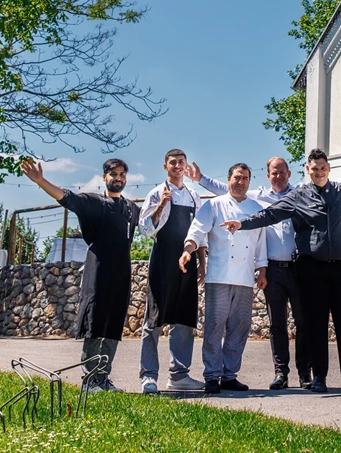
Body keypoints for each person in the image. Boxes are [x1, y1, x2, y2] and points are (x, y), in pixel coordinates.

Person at [187, 153, 341, 389]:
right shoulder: (293, 196)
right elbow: (268, 214)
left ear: (327, 168)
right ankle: (315, 376)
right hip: (304, 267)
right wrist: (242, 223)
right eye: (314, 169)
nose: (319, 172)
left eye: (322, 168)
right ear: (307, 170)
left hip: (336, 267)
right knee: (312, 323)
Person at [20, 157, 140, 393]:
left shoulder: (130, 208)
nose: (118, 178)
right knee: (95, 323)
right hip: (99, 270)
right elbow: (65, 196)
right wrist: (40, 180)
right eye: (113, 174)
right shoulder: (93, 202)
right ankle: (89, 380)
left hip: (122, 273)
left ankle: (103, 378)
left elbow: (151, 224)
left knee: (113, 326)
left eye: (122, 174)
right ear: (104, 177)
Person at [179, 163, 267, 394]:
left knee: (240, 327)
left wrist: (263, 270)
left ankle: (229, 375)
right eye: (237, 177)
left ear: (249, 181)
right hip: (218, 276)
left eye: (245, 178)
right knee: (215, 326)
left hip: (246, 277)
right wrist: (188, 251)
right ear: (228, 179)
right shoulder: (213, 205)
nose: (241, 182)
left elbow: (261, 243)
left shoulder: (257, 208)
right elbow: (196, 231)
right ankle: (211, 375)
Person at [137, 149, 206, 393]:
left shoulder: (194, 196)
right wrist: (161, 205)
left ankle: (179, 375)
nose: (177, 166)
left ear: (186, 167)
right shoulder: (156, 193)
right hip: (163, 260)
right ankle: (148, 376)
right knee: (154, 318)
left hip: (187, 262)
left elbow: (199, 232)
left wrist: (202, 263)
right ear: (165, 166)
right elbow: (144, 230)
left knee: (185, 319)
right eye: (173, 162)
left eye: (181, 162)